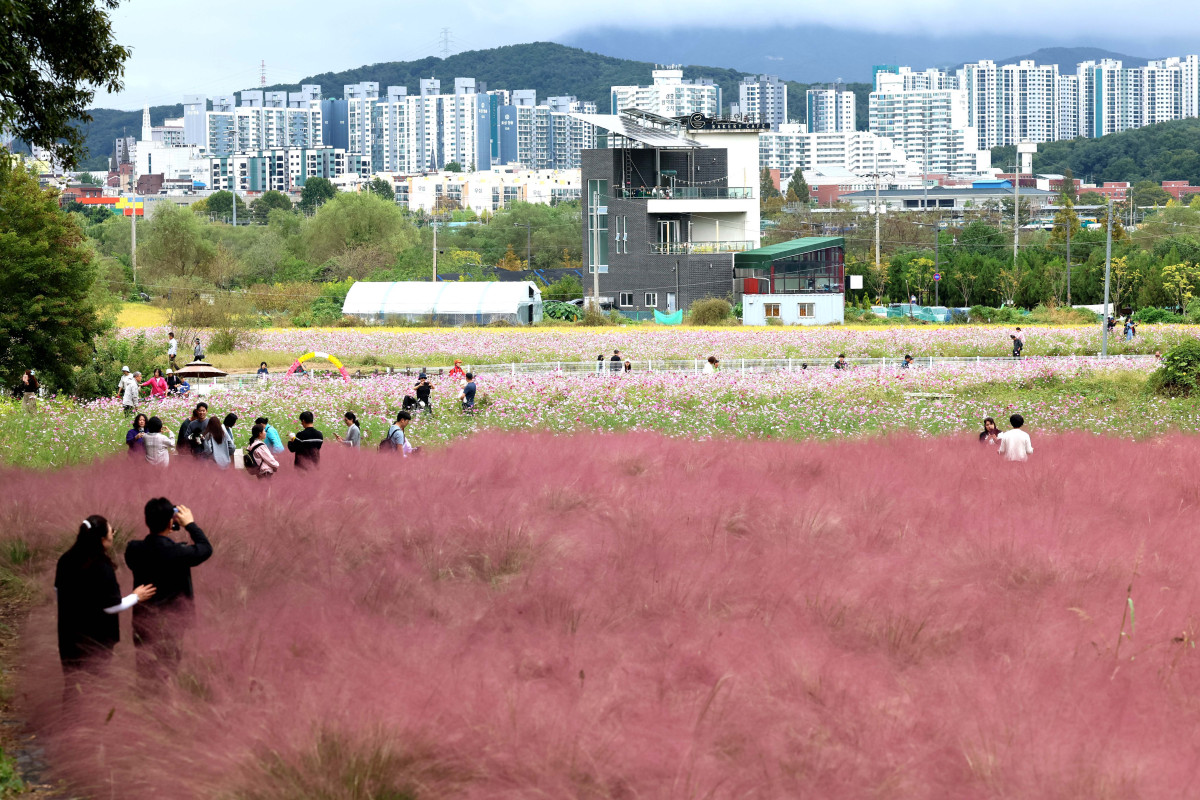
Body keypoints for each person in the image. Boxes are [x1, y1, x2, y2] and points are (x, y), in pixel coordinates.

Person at [55, 515, 155, 680]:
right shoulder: (101, 567)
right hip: (96, 640)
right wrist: (136, 597)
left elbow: (58, 592)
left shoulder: (65, 560)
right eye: (111, 532)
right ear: (102, 539)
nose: (113, 535)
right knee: (94, 683)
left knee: (72, 682)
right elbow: (111, 606)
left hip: (68, 636)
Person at [125, 500, 212, 682]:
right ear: (170, 523)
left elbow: (150, 548)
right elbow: (205, 548)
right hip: (170, 625)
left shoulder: (133, 549)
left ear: (147, 520)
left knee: (144, 673)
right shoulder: (178, 553)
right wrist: (190, 524)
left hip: (142, 622)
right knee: (167, 673)